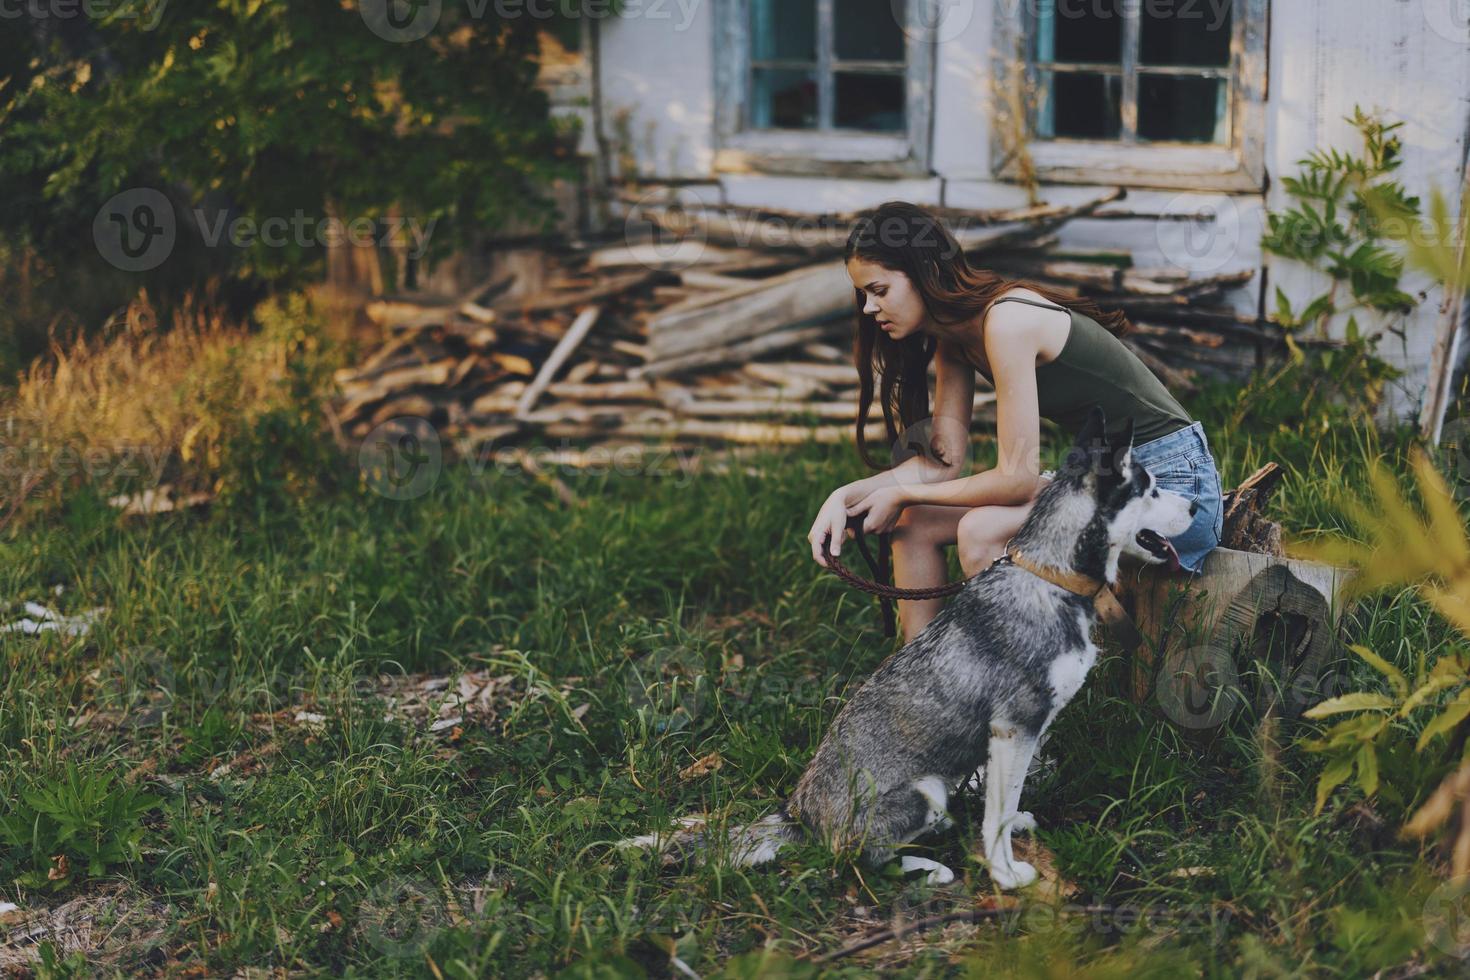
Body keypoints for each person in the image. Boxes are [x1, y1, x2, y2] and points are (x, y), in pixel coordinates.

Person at [807, 201, 1224, 643]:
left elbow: (1016, 479)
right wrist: (846, 496)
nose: (870, 308)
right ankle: (916, 678)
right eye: (864, 296)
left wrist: (899, 491)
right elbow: (940, 463)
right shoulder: (956, 341)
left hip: (1173, 490)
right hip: (1104, 480)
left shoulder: (1006, 322)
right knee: (914, 522)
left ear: (924, 271)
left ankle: (1011, 686)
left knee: (979, 530)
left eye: (879, 290)